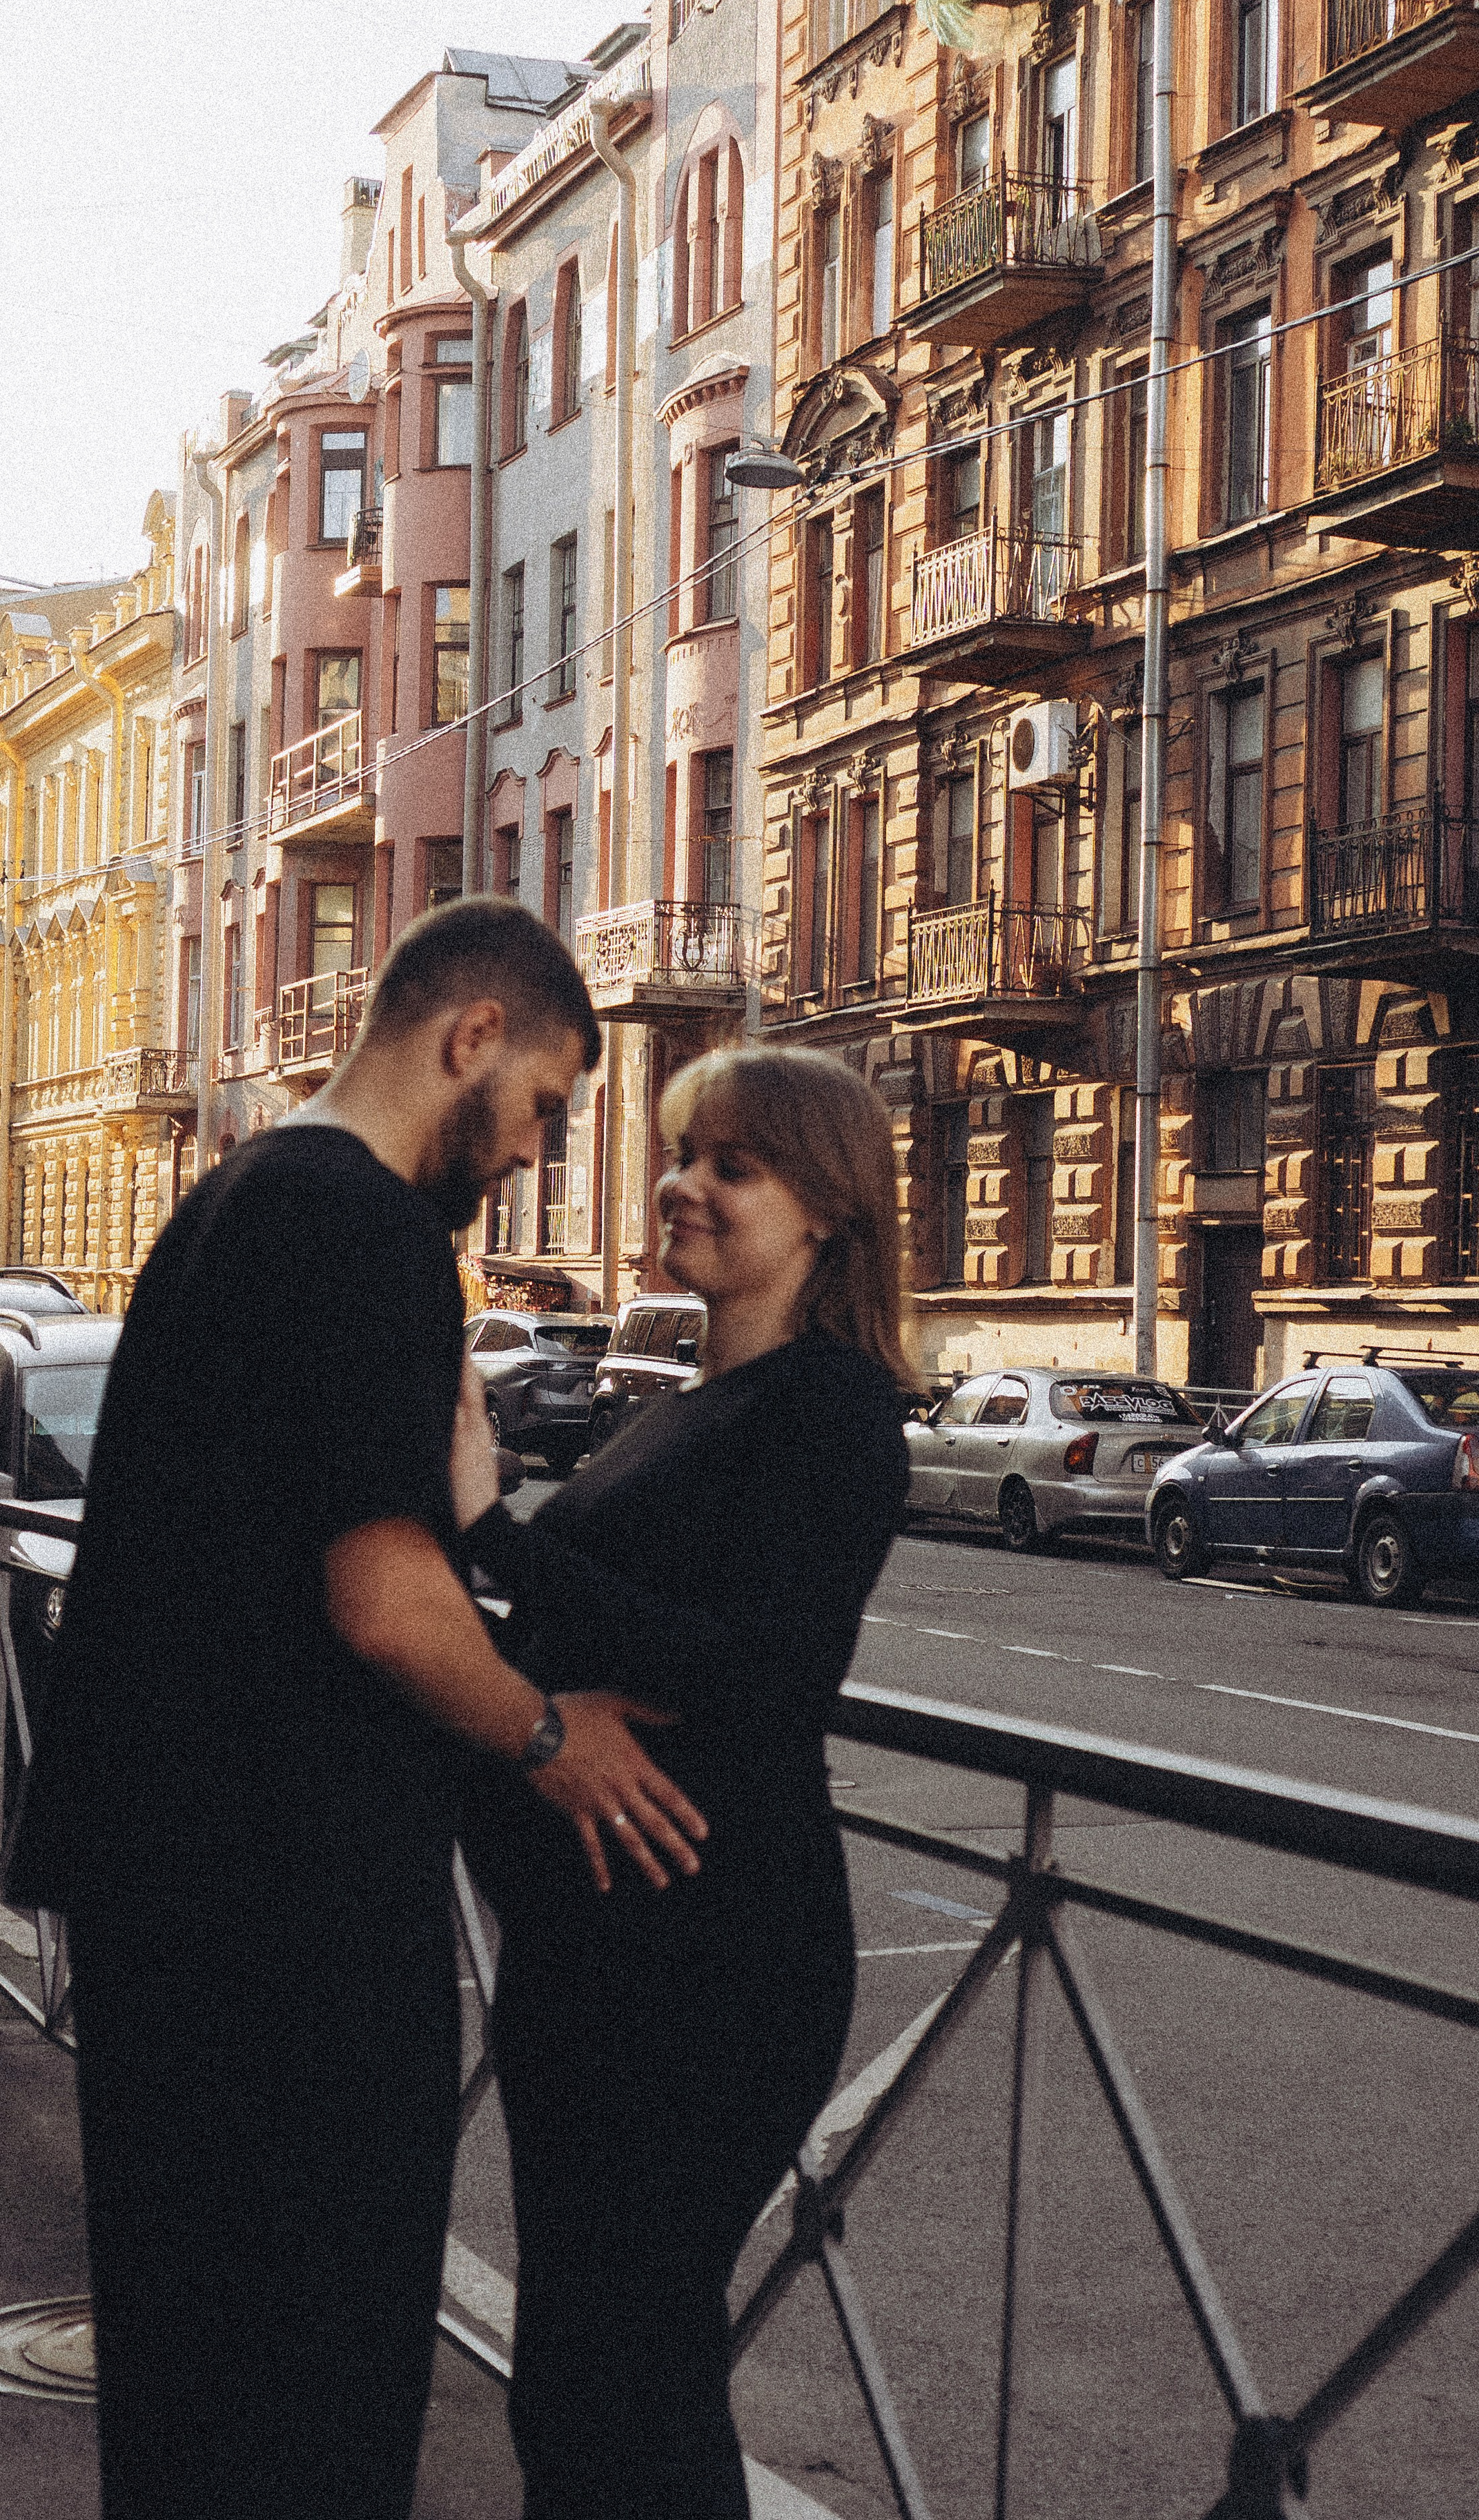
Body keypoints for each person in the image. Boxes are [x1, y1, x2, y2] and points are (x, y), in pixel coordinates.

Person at [3, 898, 705, 2520]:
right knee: (307, 2392)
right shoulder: (368, 1234)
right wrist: (551, 1737)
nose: (533, 1155)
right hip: (286, 1914)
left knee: (190, 2385)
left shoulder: (238, 1196)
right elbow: (381, 1599)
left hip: (172, 1889)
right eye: (541, 1106)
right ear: (470, 1038)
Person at [451, 1043, 916, 2520]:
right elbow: (605, 1643)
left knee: (625, 2380)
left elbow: (764, 1678)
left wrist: (493, 1529)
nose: (683, 1184)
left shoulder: (831, 1407)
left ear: (825, 1208)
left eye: (732, 1162)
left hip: (712, 1955)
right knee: (587, 2377)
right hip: (600, 1943)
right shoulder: (684, 1395)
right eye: (679, 1151)